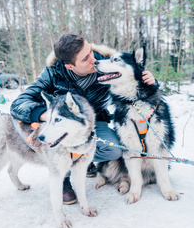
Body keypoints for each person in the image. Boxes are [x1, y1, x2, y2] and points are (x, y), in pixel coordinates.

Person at [10, 33, 156, 205]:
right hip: (63, 127)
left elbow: (134, 81)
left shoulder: (106, 64)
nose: (93, 59)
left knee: (114, 150)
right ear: (70, 66)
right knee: (56, 139)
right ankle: (64, 177)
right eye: (85, 58)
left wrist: (151, 81)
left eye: (91, 51)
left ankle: (83, 158)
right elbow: (18, 104)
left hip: (92, 125)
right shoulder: (52, 75)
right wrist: (47, 114)